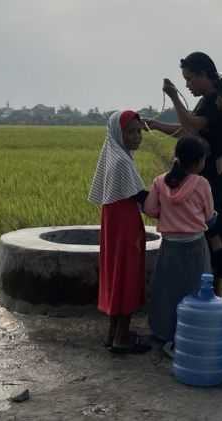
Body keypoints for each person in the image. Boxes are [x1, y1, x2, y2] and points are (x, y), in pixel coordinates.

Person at [145, 51, 222, 295]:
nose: (187, 85)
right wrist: (157, 125)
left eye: (189, 79)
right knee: (209, 236)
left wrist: (173, 97)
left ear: (203, 74)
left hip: (215, 180)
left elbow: (189, 125)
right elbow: (188, 130)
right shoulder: (210, 98)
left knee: (213, 237)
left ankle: (213, 298)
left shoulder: (217, 100)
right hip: (211, 178)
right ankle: (210, 297)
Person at [142, 136, 216, 353]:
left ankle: (165, 334)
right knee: (194, 290)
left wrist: (167, 214)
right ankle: (191, 333)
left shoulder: (159, 181)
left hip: (170, 246)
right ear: (198, 161)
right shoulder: (201, 184)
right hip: (194, 245)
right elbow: (209, 215)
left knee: (166, 291)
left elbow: (150, 210)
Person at [88, 110, 151, 354]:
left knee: (115, 274)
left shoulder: (113, 156)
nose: (137, 137)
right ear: (118, 133)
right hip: (125, 225)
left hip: (113, 224)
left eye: (139, 131)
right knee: (127, 275)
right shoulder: (123, 162)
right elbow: (141, 197)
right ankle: (122, 338)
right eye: (131, 132)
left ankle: (113, 334)